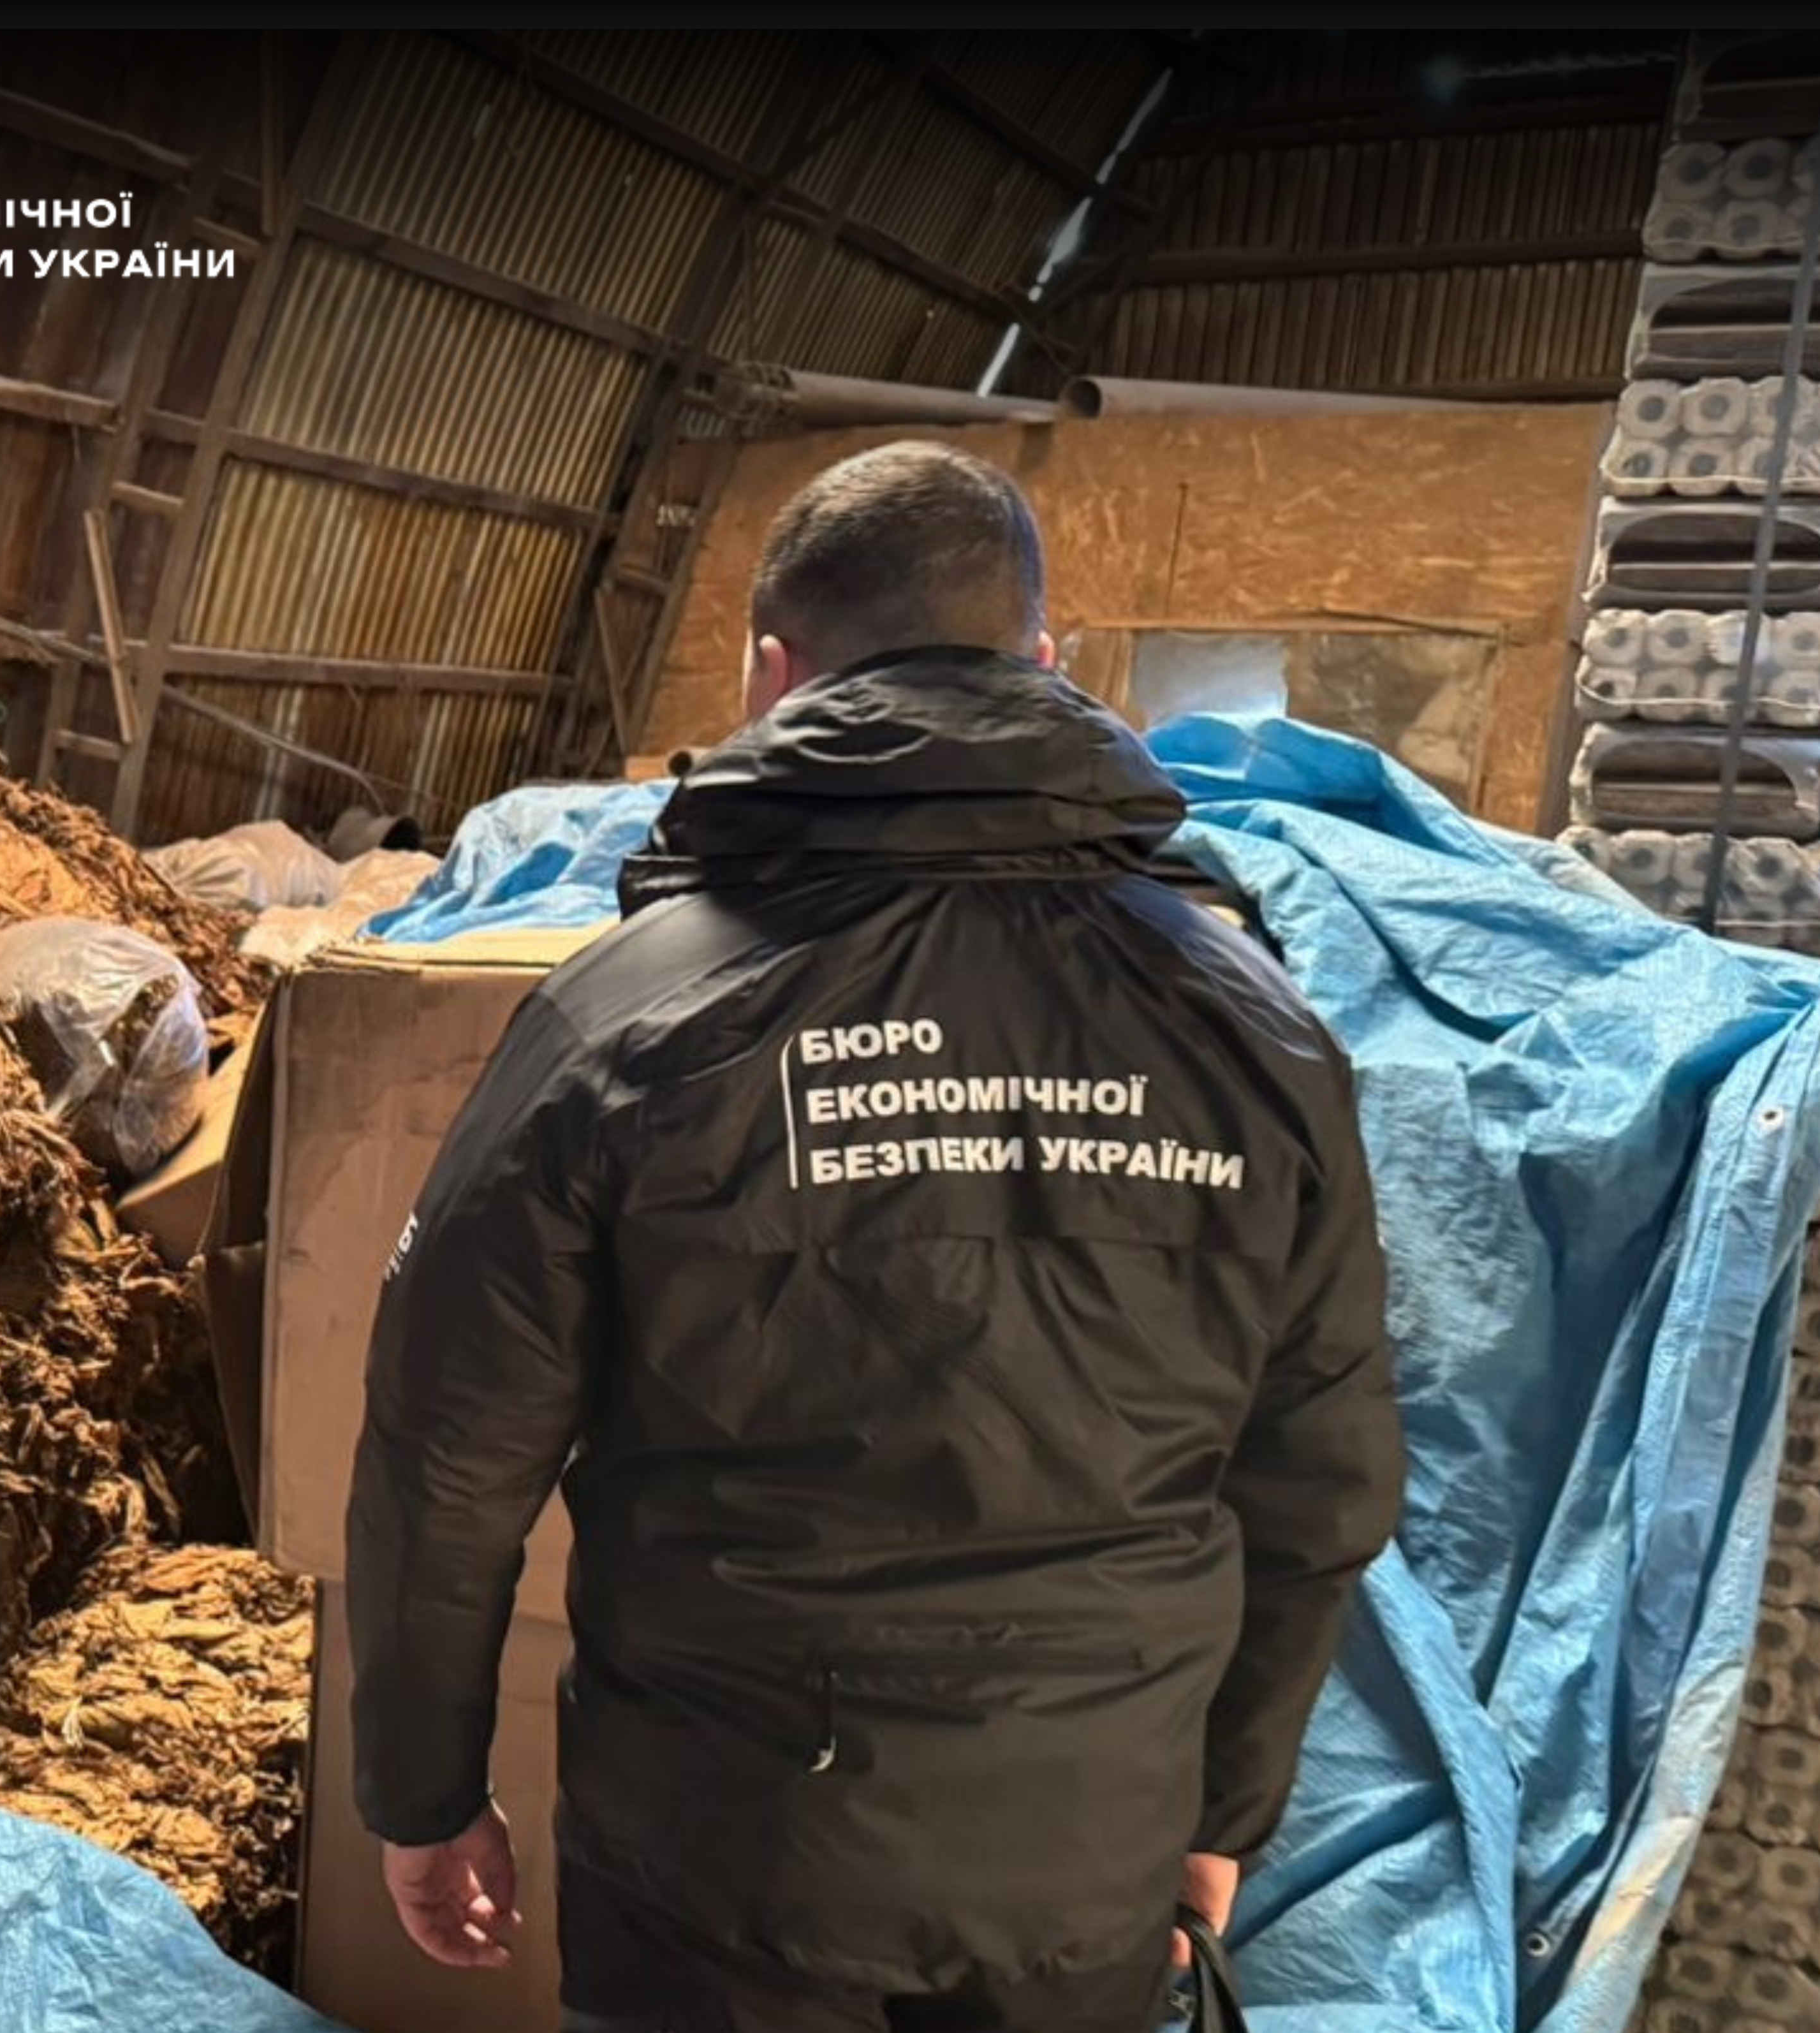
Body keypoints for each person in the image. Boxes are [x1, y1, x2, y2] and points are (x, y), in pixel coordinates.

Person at [346, 441, 1405, 2033]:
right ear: (1041, 663)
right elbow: (1319, 1480)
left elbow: (447, 1471)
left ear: (768, 674)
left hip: (722, 1857)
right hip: (1087, 1847)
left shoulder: (623, 1014)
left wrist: (423, 1791)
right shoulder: (1253, 1020)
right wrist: (1215, 1817)